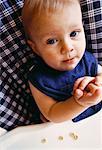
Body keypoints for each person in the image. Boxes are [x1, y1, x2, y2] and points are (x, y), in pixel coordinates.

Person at [0, 0, 102, 133]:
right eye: (52, 41)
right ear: (35, 48)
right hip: (62, 133)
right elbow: (51, 113)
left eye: (73, 33)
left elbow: (100, 73)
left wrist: (99, 82)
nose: (67, 48)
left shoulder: (86, 59)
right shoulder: (39, 78)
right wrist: (80, 103)